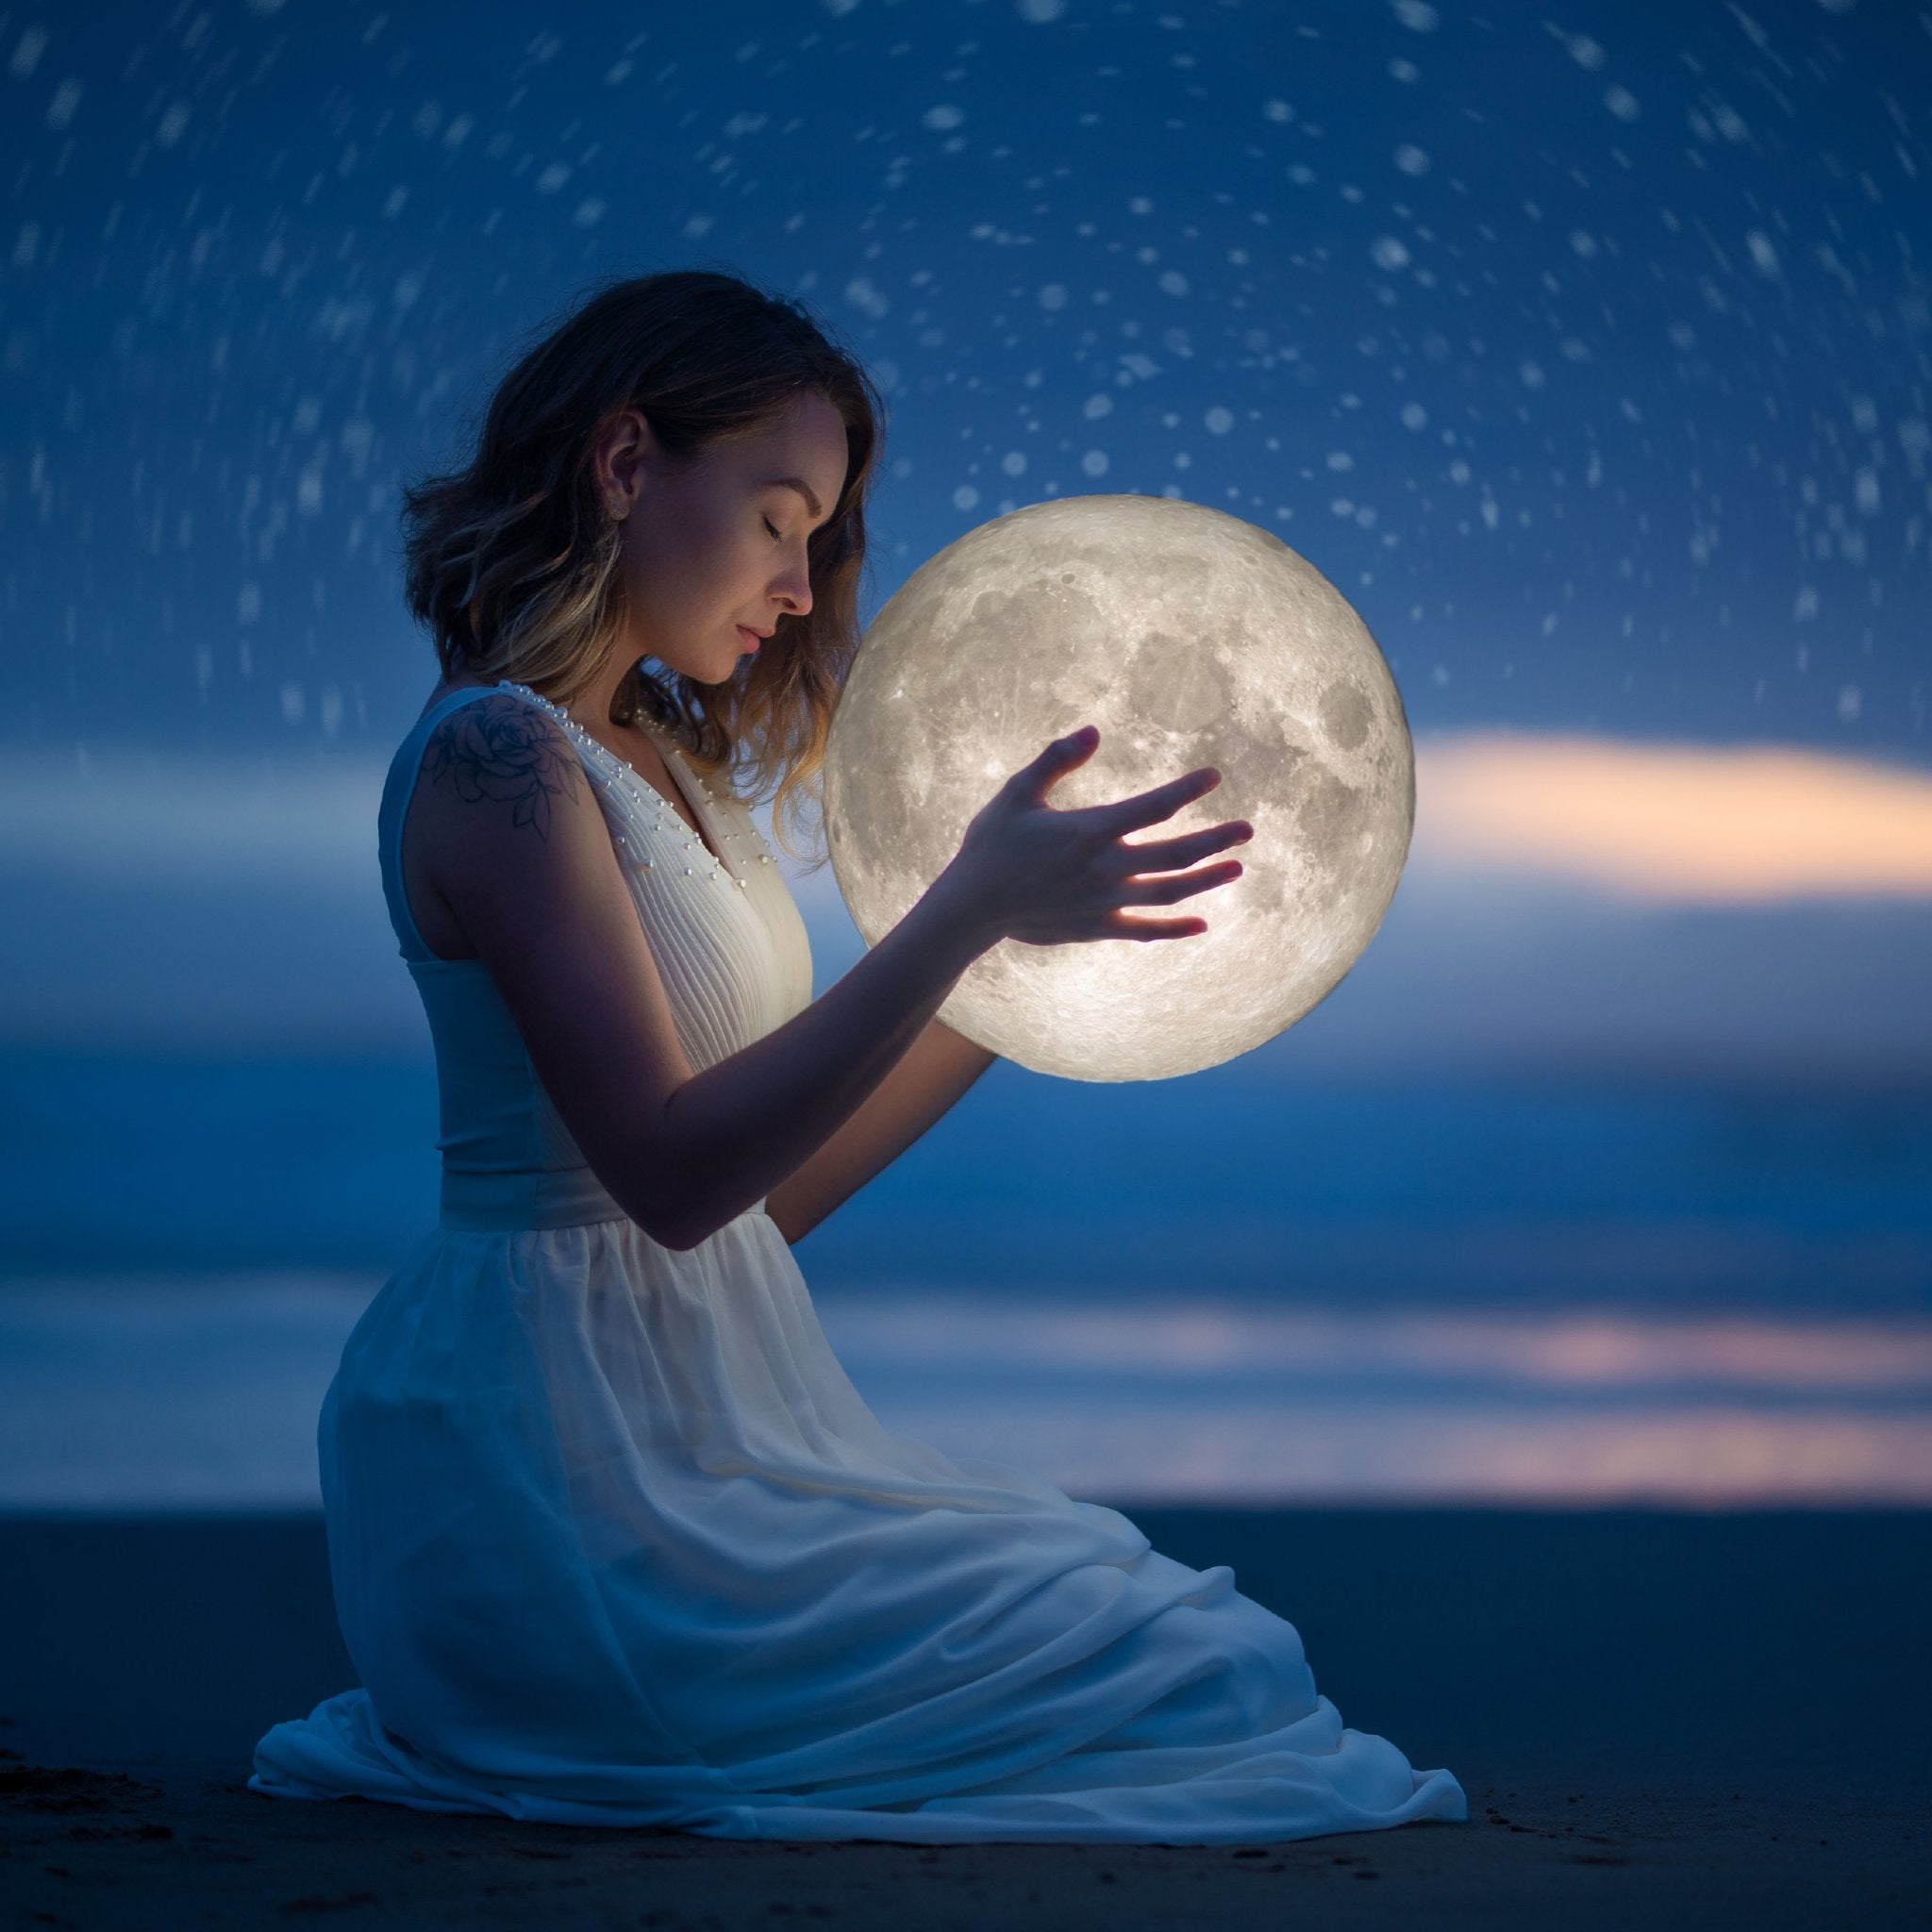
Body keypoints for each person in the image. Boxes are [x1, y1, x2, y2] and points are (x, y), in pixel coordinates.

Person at [250, 269, 1466, 1843]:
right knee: (1198, 1670)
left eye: (820, 538)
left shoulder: (663, 763)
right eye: (779, 518)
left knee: (1199, 1642)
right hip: (553, 1468)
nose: (803, 585)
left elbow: (761, 1205)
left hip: (709, 1434)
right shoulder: (495, 761)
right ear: (625, 464)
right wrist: (959, 915)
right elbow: (669, 1177)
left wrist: (1016, 967)